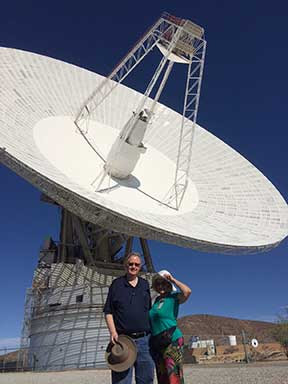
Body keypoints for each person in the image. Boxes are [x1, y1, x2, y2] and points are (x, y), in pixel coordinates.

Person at [103, 252, 154, 384]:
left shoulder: (144, 285)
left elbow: (148, 310)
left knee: (146, 379)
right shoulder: (116, 284)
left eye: (137, 264)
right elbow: (108, 311)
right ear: (125, 266)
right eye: (130, 264)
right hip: (123, 340)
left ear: (140, 266)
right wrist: (113, 332)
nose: (133, 266)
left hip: (144, 340)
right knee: (122, 381)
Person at [149, 270, 191, 384]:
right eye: (158, 284)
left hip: (172, 340)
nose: (160, 286)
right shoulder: (156, 301)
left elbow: (187, 291)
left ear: (168, 284)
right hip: (158, 342)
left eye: (163, 283)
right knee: (162, 376)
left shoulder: (174, 297)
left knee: (173, 375)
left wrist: (173, 280)